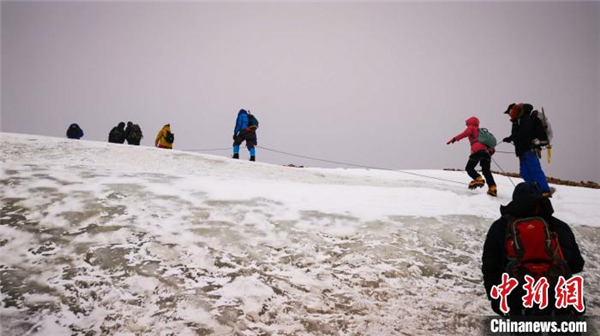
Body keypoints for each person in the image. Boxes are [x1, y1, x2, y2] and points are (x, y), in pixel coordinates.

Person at [482, 182, 585, 317]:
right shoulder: (559, 226)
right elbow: (577, 265)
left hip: (518, 297)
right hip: (557, 296)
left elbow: (490, 266)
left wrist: (495, 297)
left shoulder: (501, 225)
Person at [502, 103, 552, 197]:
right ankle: (534, 189)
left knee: (535, 170)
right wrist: (511, 137)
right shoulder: (518, 121)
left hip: (529, 149)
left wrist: (511, 138)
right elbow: (520, 133)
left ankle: (545, 190)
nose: (509, 114)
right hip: (522, 152)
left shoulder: (525, 119)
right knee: (525, 172)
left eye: (509, 112)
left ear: (514, 111)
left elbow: (524, 132)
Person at [447, 117, 497, 196]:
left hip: (477, 152)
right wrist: (488, 153)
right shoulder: (482, 133)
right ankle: (492, 188)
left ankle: (478, 179)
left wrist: (454, 139)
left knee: (469, 168)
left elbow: (464, 134)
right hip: (486, 153)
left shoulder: (471, 128)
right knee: (486, 171)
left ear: (470, 122)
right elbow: (492, 149)